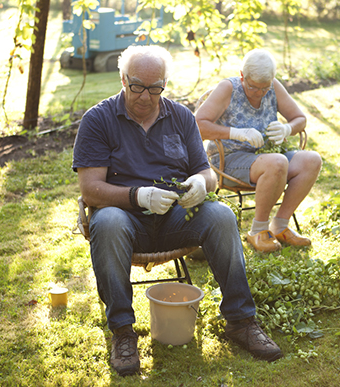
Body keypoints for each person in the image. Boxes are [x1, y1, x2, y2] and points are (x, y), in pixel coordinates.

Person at [72, 45, 282, 377]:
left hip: (175, 217)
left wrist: (203, 184)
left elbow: (206, 172)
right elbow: (90, 190)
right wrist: (138, 196)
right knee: (108, 221)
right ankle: (123, 332)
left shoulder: (180, 116)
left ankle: (241, 321)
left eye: (155, 88)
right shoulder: (98, 120)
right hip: (125, 218)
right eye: (138, 86)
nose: (145, 96)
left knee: (222, 216)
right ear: (123, 79)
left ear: (164, 85)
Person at [195, 48, 322, 253]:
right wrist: (236, 133)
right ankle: (258, 231)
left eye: (265, 88)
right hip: (229, 159)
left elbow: (300, 119)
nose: (260, 93)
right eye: (254, 87)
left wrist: (287, 129)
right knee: (278, 162)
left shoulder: (273, 87)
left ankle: (280, 225)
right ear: (242, 75)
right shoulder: (228, 88)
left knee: (312, 160)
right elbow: (197, 125)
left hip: (267, 157)